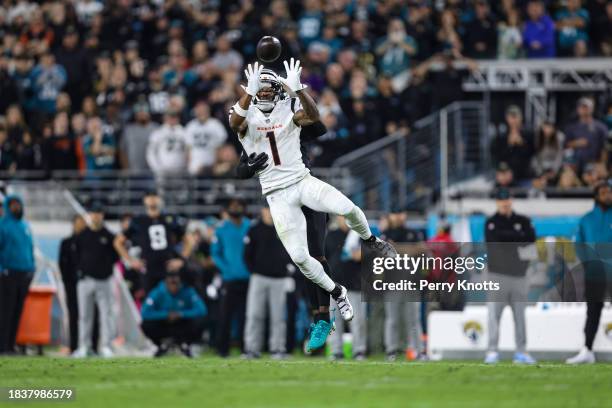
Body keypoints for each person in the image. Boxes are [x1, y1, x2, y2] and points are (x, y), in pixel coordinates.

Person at [228, 59, 397, 328]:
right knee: (300, 258)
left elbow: (314, 118)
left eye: (268, 88)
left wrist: (298, 90)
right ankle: (337, 293)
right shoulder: (245, 113)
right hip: (276, 195)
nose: (265, 93)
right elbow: (235, 123)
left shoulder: (289, 108)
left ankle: (372, 240)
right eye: (260, 89)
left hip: (302, 181)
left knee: (348, 208)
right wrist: (248, 92)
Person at [234, 112, 336, 352]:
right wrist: (248, 167)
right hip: (283, 202)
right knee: (304, 262)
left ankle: (323, 319)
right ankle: (318, 318)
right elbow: (240, 171)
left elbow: (319, 127)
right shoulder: (255, 135)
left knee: (317, 256)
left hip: (306, 196)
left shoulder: (290, 122)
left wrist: (297, 95)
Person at [484, 188, 537, 364]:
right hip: (497, 275)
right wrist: (517, 238)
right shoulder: (491, 222)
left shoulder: (523, 220)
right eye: (501, 200)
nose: (504, 203)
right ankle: (492, 350)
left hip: (519, 275)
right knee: (494, 315)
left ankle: (521, 351)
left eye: (507, 199)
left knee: (520, 315)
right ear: (497, 202)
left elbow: (530, 240)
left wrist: (508, 238)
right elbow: (495, 242)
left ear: (511, 200)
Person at [566, 179, 612, 364]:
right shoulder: (586, 219)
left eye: (610, 192)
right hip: (595, 273)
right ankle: (587, 350)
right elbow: (579, 245)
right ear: (596, 196)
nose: (608, 195)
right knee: (593, 311)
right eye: (604, 193)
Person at [114, 191, 189, 293]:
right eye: (149, 197)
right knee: (149, 302)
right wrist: (131, 261)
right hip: (148, 270)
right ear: (145, 200)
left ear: (160, 200)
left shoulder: (169, 218)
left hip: (169, 269)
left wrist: (181, 260)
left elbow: (189, 240)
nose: (152, 199)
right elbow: (118, 242)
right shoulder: (138, 221)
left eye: (155, 196)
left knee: (170, 303)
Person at [243, 206, 292, 359]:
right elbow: (247, 254)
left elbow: (292, 250)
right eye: (267, 208)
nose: (270, 212)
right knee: (254, 314)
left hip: (280, 278)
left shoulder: (284, 228)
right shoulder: (254, 229)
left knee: (278, 316)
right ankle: (252, 349)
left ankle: (277, 349)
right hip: (259, 277)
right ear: (262, 210)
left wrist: (287, 271)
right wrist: (255, 270)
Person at [72, 203, 118, 358]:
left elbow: (115, 257)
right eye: (93, 213)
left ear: (102, 215)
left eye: (98, 213)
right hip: (85, 281)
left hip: (104, 281)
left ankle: (106, 346)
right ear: (89, 215)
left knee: (107, 315)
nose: (95, 216)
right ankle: (84, 347)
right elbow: (76, 256)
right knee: (84, 316)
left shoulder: (110, 236)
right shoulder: (82, 235)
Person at [211, 199, 250, 357]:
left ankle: (244, 348)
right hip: (229, 279)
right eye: (233, 206)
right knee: (225, 315)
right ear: (227, 209)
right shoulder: (220, 229)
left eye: (239, 205)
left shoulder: (250, 226)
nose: (236, 208)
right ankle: (223, 349)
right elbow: (215, 253)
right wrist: (226, 269)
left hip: (248, 278)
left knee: (245, 316)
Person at [327, 217, 368, 361]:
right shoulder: (331, 235)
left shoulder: (359, 234)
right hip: (335, 285)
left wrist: (363, 255)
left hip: (355, 284)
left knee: (358, 321)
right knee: (334, 320)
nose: (342, 220)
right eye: (340, 216)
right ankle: (336, 350)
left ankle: (359, 350)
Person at [141, 271, 207, 358]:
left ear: (180, 283)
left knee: (200, 321)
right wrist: (165, 315)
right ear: (165, 283)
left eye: (176, 283)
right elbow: (144, 312)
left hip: (182, 324)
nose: (173, 286)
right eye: (171, 283)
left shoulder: (188, 291)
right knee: (146, 324)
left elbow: (202, 310)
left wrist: (181, 314)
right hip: (164, 324)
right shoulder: (157, 292)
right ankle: (161, 345)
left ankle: (185, 345)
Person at [0, 195, 35, 355]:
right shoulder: (2, 226)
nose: (17, 207)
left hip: (24, 273)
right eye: (13, 204)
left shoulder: (25, 225)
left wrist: (32, 267)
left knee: (17, 311)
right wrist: (2, 269)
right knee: (5, 311)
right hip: (9, 273)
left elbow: (30, 248)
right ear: (8, 206)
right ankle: (3, 346)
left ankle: (11, 344)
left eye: (18, 204)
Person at [58, 215, 87, 353]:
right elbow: (62, 264)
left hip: (87, 284)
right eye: (78, 223)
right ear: (73, 225)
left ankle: (89, 345)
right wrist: (67, 282)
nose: (81, 226)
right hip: (72, 285)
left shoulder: (89, 243)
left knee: (89, 315)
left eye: (83, 223)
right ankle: (74, 346)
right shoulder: (66, 243)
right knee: (74, 315)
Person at [564, 97, 608, 173]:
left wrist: (602, 163)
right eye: (581, 107)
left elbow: (605, 147)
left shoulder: (600, 127)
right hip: (574, 164)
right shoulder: (571, 128)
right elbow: (565, 146)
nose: (584, 109)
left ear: (592, 109)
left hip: (594, 164)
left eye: (586, 107)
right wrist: (577, 143)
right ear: (578, 109)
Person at [185, 101, 227, 176]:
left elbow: (221, 147)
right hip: (196, 162)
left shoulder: (216, 125)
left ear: (208, 111)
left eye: (204, 111)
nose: (202, 113)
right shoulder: (190, 126)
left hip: (212, 160)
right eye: (200, 111)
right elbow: (188, 149)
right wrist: (189, 164)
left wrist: (217, 163)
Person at [146, 109, 188, 179]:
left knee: (181, 189)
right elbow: (150, 153)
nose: (172, 119)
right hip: (163, 171)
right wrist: (157, 169)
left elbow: (189, 151)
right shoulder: (157, 133)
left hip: (181, 171)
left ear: (178, 118)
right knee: (162, 189)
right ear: (165, 117)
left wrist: (185, 167)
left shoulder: (184, 132)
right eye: (170, 116)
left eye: (174, 116)